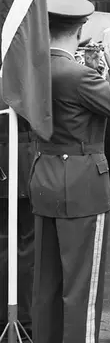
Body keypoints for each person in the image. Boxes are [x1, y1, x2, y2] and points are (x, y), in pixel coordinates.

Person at [30, 0, 110, 343]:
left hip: (44, 171)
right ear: (79, 31)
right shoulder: (79, 75)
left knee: (47, 282)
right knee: (82, 285)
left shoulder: (31, 68)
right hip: (80, 180)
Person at [0, 97, 36, 339]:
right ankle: (25, 319)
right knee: (27, 246)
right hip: (24, 161)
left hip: (14, 159)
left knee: (6, 244)